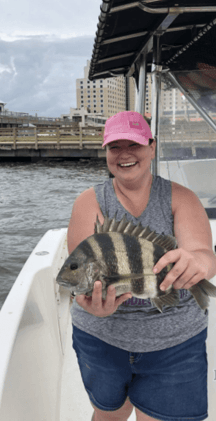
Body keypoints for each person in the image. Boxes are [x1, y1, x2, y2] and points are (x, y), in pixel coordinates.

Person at [67, 111, 216, 421]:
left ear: (152, 146)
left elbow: (203, 252)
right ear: (105, 152)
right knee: (109, 414)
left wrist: (197, 263)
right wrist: (89, 303)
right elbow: (81, 273)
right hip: (101, 339)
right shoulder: (89, 201)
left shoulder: (181, 199)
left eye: (134, 144)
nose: (124, 154)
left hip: (175, 344)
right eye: (114, 147)